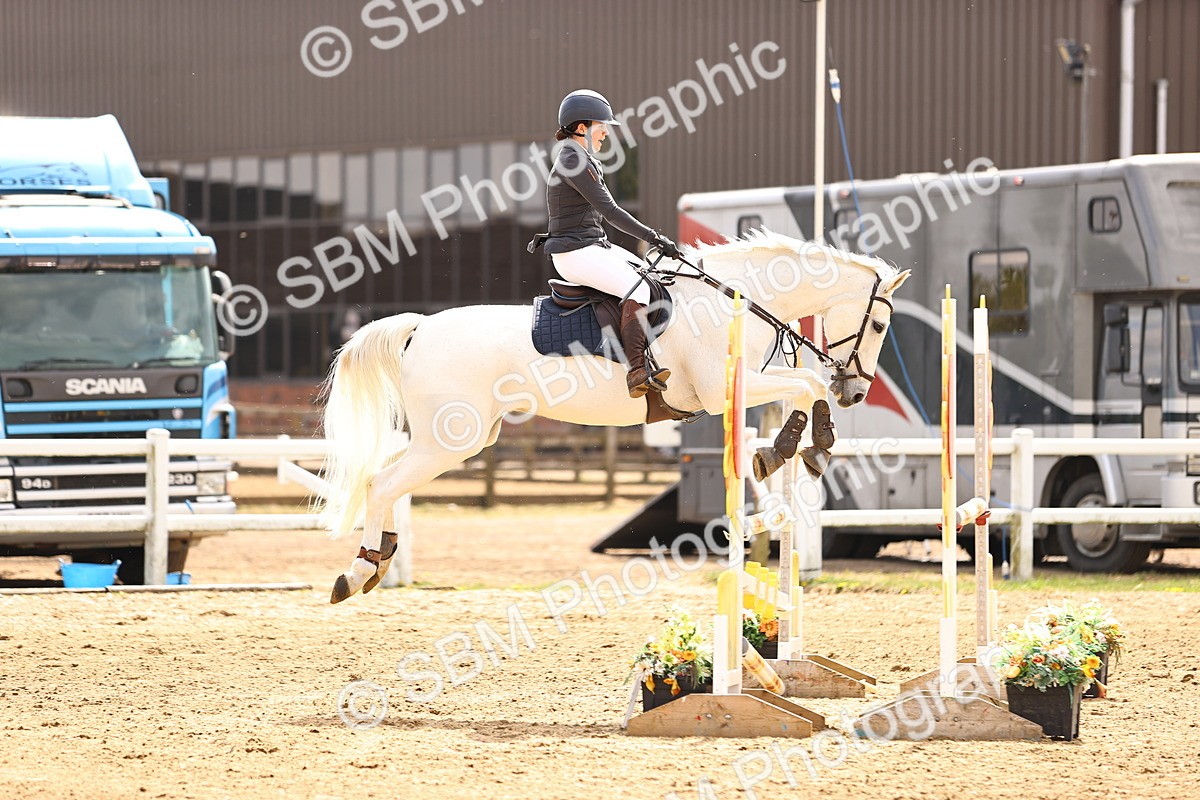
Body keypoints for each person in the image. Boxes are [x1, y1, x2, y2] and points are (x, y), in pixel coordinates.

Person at [537, 89, 681, 399]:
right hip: (575, 253)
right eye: (601, 126)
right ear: (582, 127)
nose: (605, 133)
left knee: (648, 274)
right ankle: (637, 370)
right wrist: (654, 237)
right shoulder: (573, 160)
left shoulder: (580, 157)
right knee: (638, 289)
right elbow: (612, 213)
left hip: (590, 245)